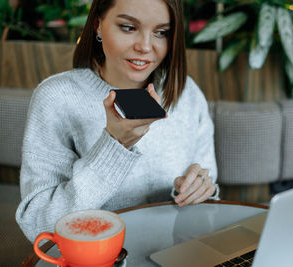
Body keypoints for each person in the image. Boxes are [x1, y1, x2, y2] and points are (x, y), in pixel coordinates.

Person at [16, 0, 219, 243]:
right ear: (98, 25)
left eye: (161, 32)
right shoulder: (57, 98)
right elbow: (40, 228)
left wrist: (199, 190)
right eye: (128, 27)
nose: (145, 47)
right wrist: (114, 145)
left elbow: (210, 204)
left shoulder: (186, 93)